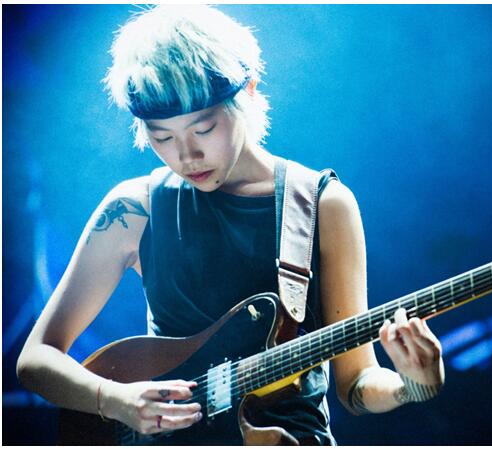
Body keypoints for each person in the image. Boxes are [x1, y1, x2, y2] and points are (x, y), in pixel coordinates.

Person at [16, 5, 444, 445]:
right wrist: (115, 399)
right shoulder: (134, 209)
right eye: (162, 137)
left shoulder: (323, 204)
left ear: (250, 91)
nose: (186, 156)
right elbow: (36, 359)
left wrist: (411, 385)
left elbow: (356, 384)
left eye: (203, 129)